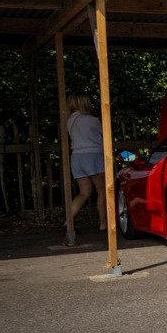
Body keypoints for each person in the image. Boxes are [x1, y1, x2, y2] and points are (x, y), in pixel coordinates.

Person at [64, 93, 107, 245]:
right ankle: (103, 224)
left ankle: (68, 221)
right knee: (102, 191)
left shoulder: (70, 121)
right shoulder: (92, 120)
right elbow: (104, 134)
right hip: (93, 155)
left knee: (84, 192)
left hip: (77, 157)